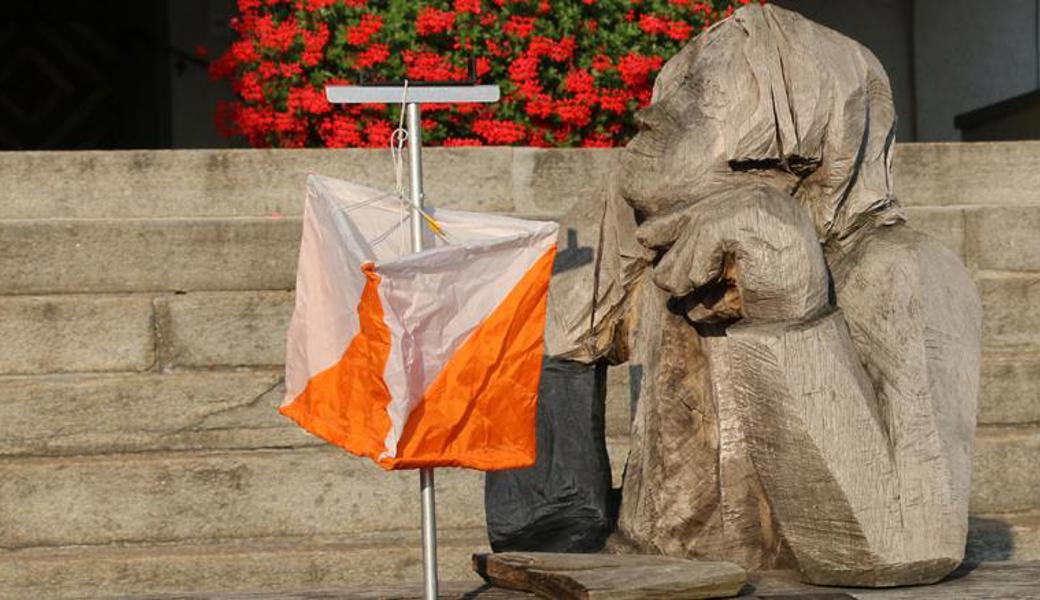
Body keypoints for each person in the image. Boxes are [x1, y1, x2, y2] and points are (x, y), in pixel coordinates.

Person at [488, 4, 981, 587]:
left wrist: (790, 311)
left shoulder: (903, 271)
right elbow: (539, 524)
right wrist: (556, 337)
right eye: (666, 88)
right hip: (654, 567)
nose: (651, 112)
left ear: (791, 138)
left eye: (692, 93)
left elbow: (913, 548)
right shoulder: (638, 230)